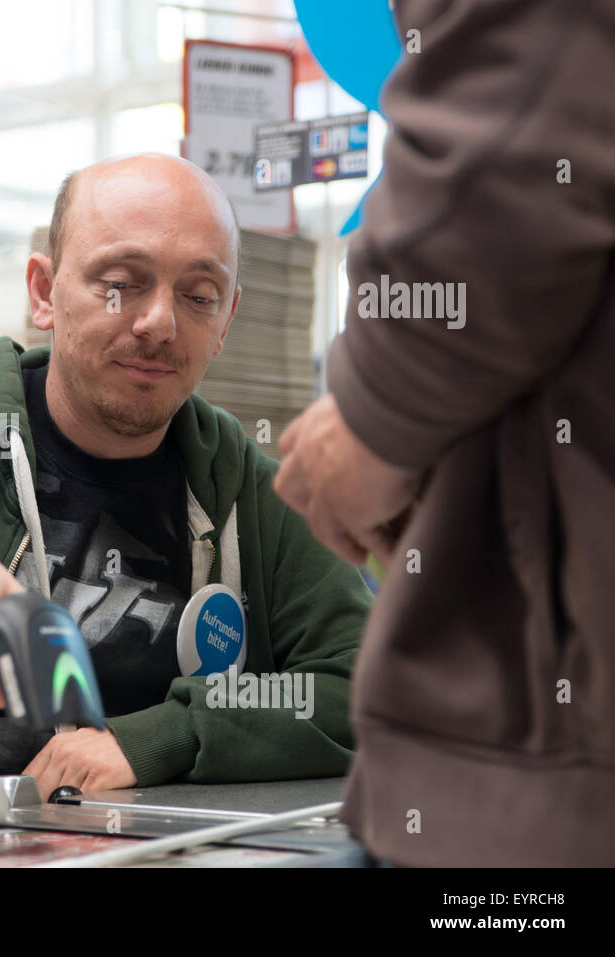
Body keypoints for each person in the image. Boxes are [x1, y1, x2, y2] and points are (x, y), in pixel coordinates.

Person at [0, 153, 374, 797]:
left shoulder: (254, 495)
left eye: (199, 296)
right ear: (42, 293)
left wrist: (163, 738)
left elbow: (364, 683)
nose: (160, 323)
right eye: (120, 283)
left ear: (225, 321)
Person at [274, 0, 615, 865]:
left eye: (202, 292)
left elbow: (506, 163)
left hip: (540, 776)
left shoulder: (234, 467)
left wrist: (369, 424)